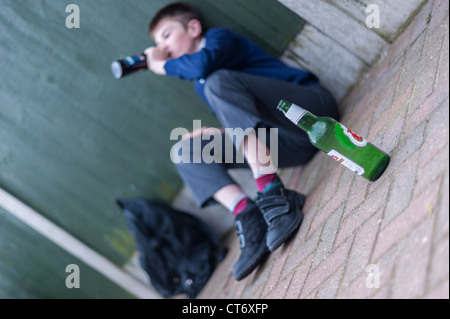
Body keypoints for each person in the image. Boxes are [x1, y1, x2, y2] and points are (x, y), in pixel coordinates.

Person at [145, 2, 339, 281]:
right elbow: (241, 120)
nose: (162, 47)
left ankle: (272, 192)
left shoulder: (218, 40)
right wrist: (215, 135)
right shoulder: (201, 81)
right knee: (186, 150)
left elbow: (202, 65)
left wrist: (160, 65)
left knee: (217, 82)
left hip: (313, 114)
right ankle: (249, 216)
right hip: (290, 146)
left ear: (193, 27)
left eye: (166, 35)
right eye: (157, 43)